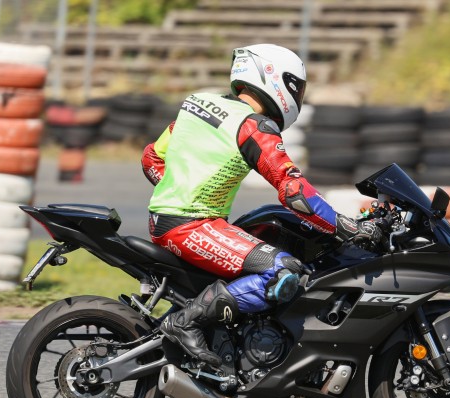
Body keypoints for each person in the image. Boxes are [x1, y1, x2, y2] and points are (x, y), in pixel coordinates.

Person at [142, 44, 384, 368]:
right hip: (192, 226)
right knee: (282, 272)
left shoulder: (198, 104)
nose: (297, 97)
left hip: (168, 220)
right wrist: (347, 226)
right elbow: (294, 191)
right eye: (296, 88)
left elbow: (152, 158)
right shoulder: (254, 126)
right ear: (275, 79)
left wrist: (180, 188)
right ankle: (186, 322)